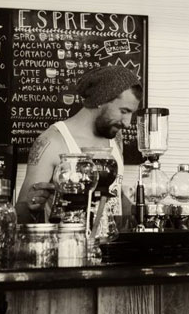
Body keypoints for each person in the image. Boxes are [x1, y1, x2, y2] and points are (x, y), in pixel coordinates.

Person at [15, 65, 142, 223]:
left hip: (111, 244)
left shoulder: (115, 138)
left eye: (131, 113)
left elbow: (111, 196)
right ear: (101, 99)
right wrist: (32, 204)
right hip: (68, 245)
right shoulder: (52, 141)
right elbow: (22, 214)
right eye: (124, 111)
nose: (128, 123)